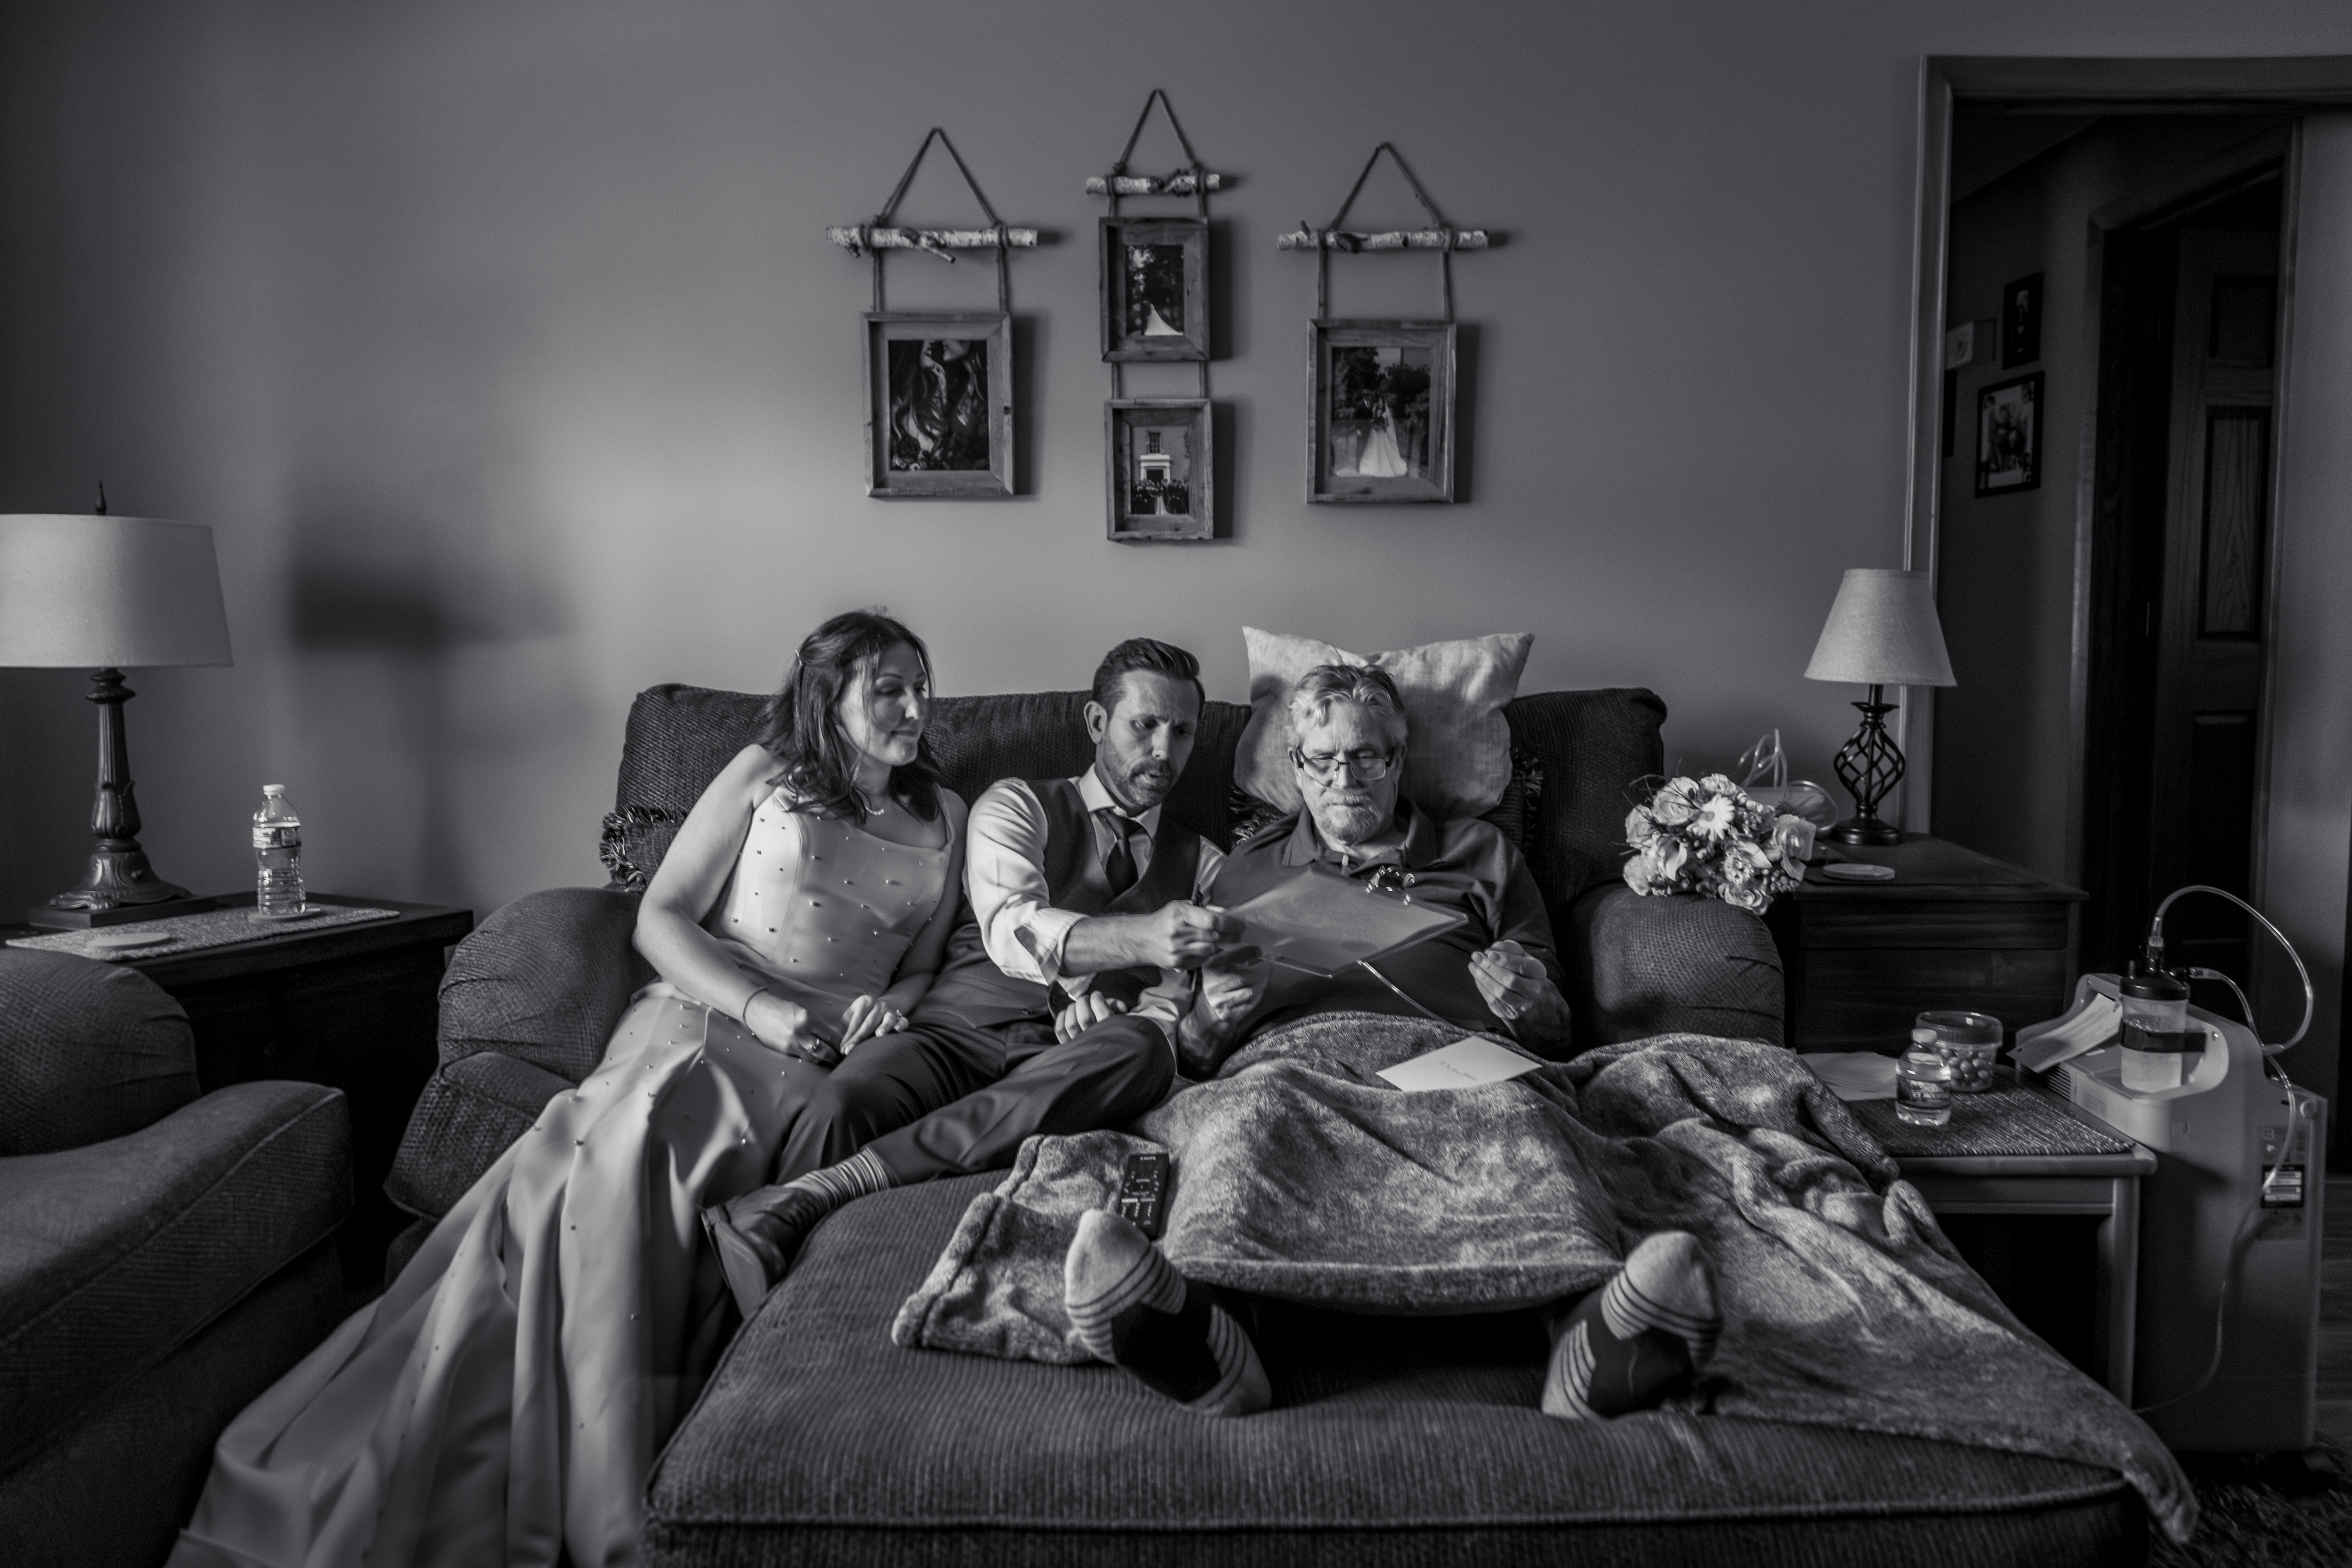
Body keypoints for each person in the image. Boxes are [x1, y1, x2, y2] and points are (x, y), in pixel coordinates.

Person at [168, 610, 967, 1568]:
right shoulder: (767, 772)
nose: (916, 707)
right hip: (710, 1012)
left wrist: (888, 1011)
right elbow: (661, 917)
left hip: (829, 1049)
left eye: (922, 686)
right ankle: (583, 1482)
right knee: (622, 1153)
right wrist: (759, 1008)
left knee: (745, 1161)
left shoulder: (947, 814)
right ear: (828, 696)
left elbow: (924, 966)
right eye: (890, 688)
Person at [1060, 663, 1721, 1422]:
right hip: (1291, 1068)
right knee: (1246, 1122)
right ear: (1296, 769)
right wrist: (1212, 1017)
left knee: (1518, 1120)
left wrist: (1527, 1001)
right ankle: (1213, 1338)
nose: (1344, 778)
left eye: (1366, 757)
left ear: (1398, 760)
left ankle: (1588, 1339)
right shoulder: (1239, 872)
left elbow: (1556, 1029)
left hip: (1458, 1064)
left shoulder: (1482, 855)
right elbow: (1195, 1055)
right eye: (1322, 760)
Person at [703, 638, 1265, 1312]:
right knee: (840, 1105)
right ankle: (780, 1304)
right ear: (1096, 723)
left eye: (1182, 732)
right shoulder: (1014, 805)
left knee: (1142, 1049)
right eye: (1144, 725)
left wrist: (1128, 1015)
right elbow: (1011, 925)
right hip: (950, 1035)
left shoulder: (1208, 868)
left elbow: (1173, 1007)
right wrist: (1140, 941)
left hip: (1063, 1065)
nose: (1163, 750)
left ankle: (827, 1191)